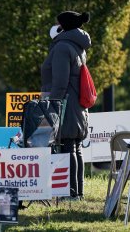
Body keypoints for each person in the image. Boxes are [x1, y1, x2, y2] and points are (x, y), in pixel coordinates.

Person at [41, 11, 91, 200]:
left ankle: (69, 194)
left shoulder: (62, 47)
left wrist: (53, 105)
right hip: (76, 103)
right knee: (75, 147)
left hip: (66, 103)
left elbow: (60, 81)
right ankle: (77, 193)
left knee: (68, 147)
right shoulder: (77, 45)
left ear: (64, 26)